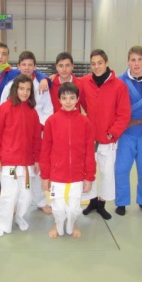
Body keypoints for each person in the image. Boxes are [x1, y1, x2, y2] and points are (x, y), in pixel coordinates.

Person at [0, 43, 48, 208]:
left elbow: (34, 74)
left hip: (26, 127)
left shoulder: (28, 79)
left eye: (4, 54)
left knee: (21, 166)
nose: (0, 56)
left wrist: (44, 78)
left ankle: (26, 199)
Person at [79, 49, 131, 220]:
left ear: (106, 63)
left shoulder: (119, 86)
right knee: (89, 171)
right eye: (93, 64)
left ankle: (102, 203)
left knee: (107, 172)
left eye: (100, 63)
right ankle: (92, 201)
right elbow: (68, 86)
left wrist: (111, 133)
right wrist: (47, 79)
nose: (96, 67)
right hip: (89, 138)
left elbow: (124, 114)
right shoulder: (85, 82)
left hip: (108, 139)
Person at [0, 50, 53, 214]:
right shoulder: (10, 87)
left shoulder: (41, 86)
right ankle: (14, 204)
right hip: (15, 135)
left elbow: (48, 110)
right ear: (18, 66)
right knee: (15, 173)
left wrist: (39, 126)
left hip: (36, 133)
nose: (27, 68)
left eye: (30, 65)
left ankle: (41, 201)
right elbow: (3, 110)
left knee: (35, 169)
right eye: (24, 64)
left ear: (35, 67)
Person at [0, 74, 42, 237]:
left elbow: (36, 139)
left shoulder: (32, 113)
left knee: (25, 195)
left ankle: (19, 217)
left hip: (26, 166)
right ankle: (2, 223)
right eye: (21, 89)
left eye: (28, 89)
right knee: (8, 195)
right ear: (15, 89)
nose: (25, 92)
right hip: (9, 165)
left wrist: (37, 159)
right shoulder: (4, 108)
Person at [40, 82, 96, 238]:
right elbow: (46, 150)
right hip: (57, 174)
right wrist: (45, 175)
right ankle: (58, 225)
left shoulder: (85, 122)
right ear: (59, 100)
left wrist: (89, 176)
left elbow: (90, 151)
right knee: (58, 208)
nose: (68, 101)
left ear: (77, 99)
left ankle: (71, 225)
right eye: (64, 98)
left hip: (77, 174)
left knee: (73, 208)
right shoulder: (52, 121)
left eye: (72, 98)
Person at [114, 46, 142, 216]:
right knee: (121, 169)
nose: (136, 63)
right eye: (133, 60)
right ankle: (121, 202)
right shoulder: (119, 82)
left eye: (140, 59)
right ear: (128, 62)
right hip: (126, 133)